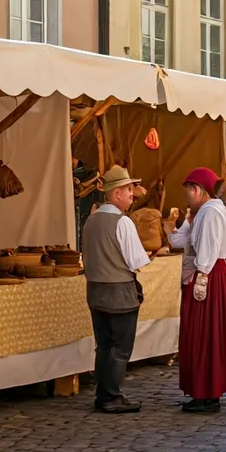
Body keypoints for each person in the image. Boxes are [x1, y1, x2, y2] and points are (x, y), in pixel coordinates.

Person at [81, 166, 151, 414]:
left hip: (95, 291)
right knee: (120, 347)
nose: (133, 194)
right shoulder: (123, 222)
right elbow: (137, 262)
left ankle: (104, 394)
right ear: (117, 193)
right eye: (129, 189)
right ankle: (111, 396)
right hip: (119, 293)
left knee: (104, 345)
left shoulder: (91, 219)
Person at [170, 168, 226, 413]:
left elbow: (208, 251)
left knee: (204, 334)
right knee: (206, 334)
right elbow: (177, 242)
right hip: (211, 274)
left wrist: (201, 278)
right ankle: (205, 391)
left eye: (187, 191)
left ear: (197, 190)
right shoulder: (205, 212)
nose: (186, 196)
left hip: (209, 276)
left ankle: (206, 392)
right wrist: (185, 222)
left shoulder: (210, 213)